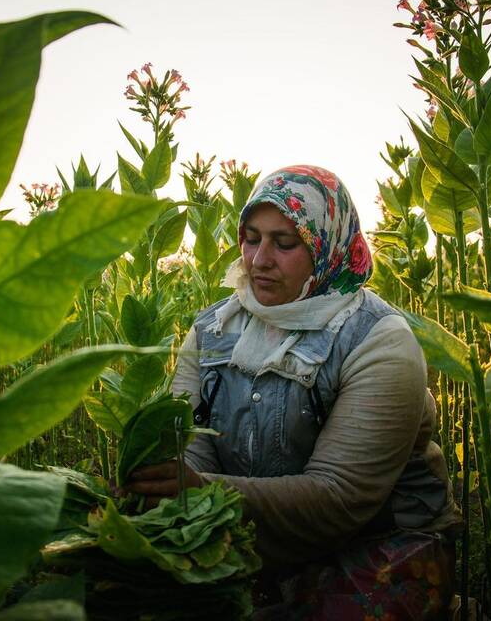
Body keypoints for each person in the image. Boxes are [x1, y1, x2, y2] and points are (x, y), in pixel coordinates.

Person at [126, 165, 460, 620]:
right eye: (250, 238)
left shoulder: (379, 341)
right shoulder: (213, 329)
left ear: (327, 248)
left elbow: (339, 499)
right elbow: (194, 449)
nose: (260, 259)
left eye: (284, 243)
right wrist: (159, 486)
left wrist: (204, 492)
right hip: (243, 534)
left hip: (378, 543)